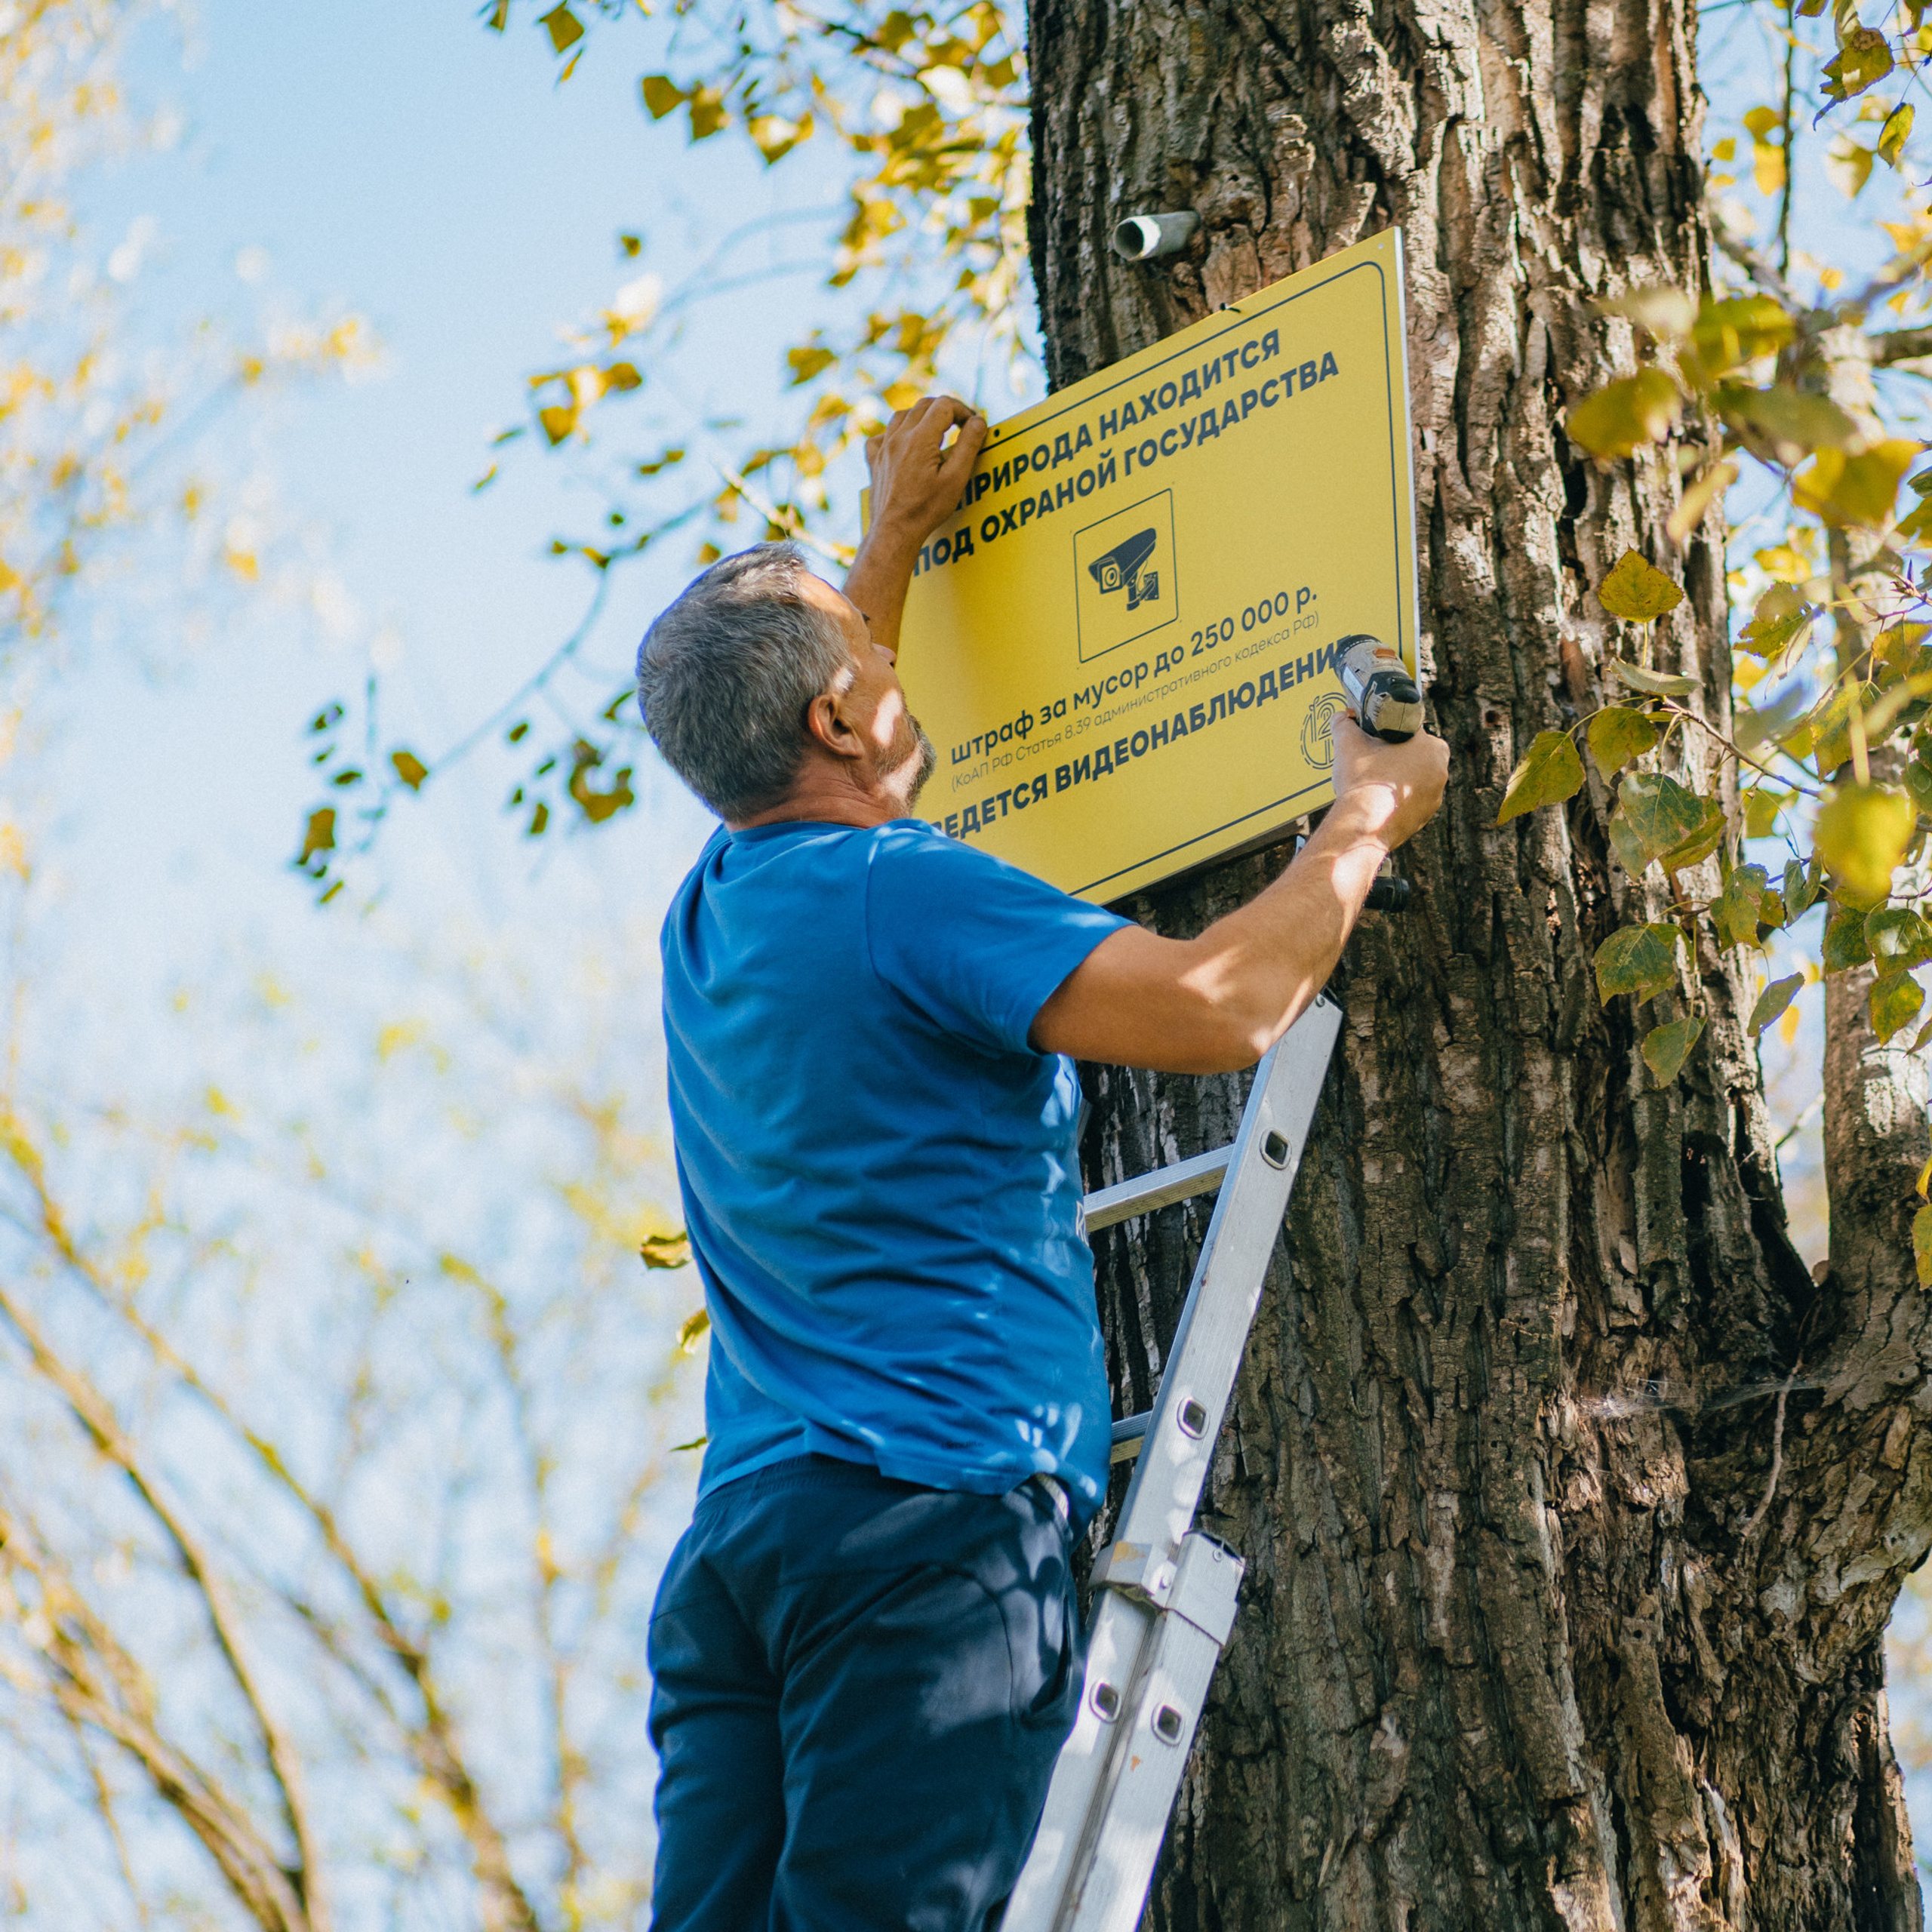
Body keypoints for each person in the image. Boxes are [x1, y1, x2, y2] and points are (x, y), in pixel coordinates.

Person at [636, 394, 1449, 1930]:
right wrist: (1360, 818)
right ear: (832, 716)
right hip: (924, 1526)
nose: (891, 666)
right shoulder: (902, 889)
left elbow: (819, 725)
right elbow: (1219, 1005)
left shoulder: (714, 911)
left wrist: (887, 546)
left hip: (745, 1555)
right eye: (874, 660)